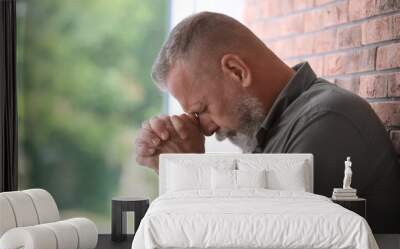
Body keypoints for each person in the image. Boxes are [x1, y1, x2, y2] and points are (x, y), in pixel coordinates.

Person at [134, 12, 400, 233]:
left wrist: (191, 170)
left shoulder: (327, 121)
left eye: (203, 110)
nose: (206, 128)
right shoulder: (270, 130)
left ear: (237, 71)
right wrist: (176, 170)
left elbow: (251, 241)